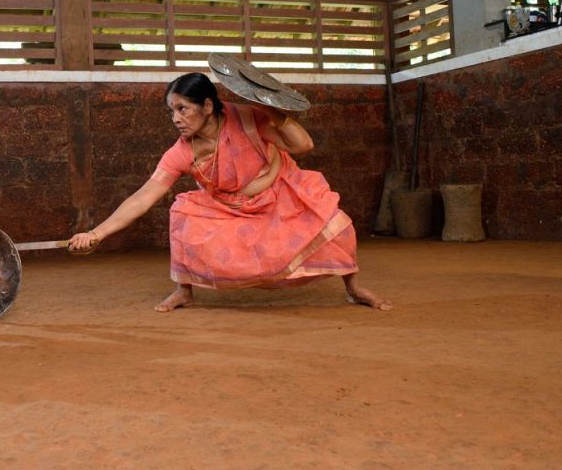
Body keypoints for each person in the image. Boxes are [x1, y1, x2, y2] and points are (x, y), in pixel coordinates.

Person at [68, 72, 391, 313]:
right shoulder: (182, 151)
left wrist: (273, 109)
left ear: (207, 106)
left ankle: (354, 288)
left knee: (337, 224)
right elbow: (144, 196)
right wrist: (97, 233)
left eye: (182, 109)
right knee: (183, 212)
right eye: (171, 111)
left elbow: (303, 145)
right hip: (228, 207)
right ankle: (184, 291)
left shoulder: (248, 120)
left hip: (279, 193)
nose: (176, 119)